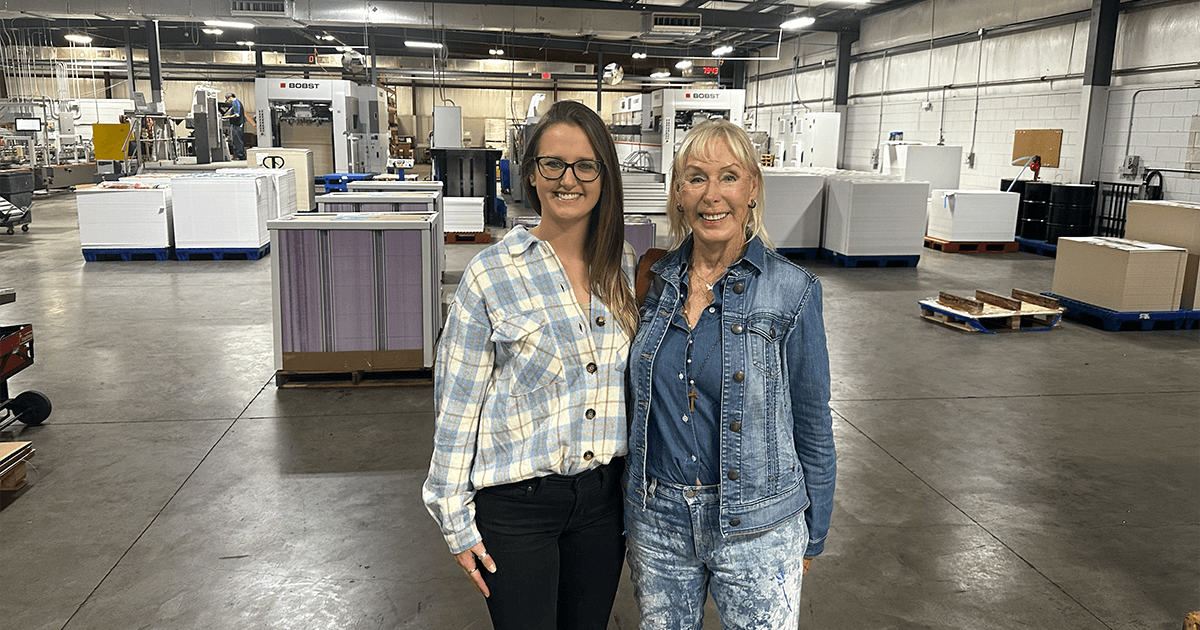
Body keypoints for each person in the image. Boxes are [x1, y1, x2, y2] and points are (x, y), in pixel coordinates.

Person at [423, 100, 638, 630]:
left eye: (586, 165)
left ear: (604, 175)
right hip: (517, 510)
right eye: (553, 165)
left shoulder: (621, 266)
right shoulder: (490, 274)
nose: (570, 179)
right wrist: (454, 519)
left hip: (602, 504)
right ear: (532, 174)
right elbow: (455, 408)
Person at [624, 118, 837, 630]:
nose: (711, 195)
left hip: (760, 524)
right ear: (678, 193)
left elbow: (812, 418)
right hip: (660, 523)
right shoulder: (654, 282)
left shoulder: (793, 290)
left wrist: (815, 529)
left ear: (753, 189)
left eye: (729, 177)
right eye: (696, 177)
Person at [223, 92, 255, 160]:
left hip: (237, 125)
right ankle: (238, 155)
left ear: (230, 98)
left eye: (227, 100)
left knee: (238, 140)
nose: (228, 101)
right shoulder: (235, 103)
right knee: (236, 140)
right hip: (236, 125)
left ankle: (240, 155)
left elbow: (237, 115)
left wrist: (228, 117)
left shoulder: (236, 103)